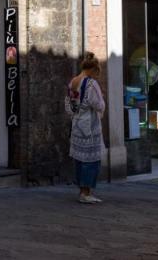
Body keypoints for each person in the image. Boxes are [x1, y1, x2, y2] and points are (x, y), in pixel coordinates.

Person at [66, 52, 106, 204]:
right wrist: (102, 103)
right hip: (90, 126)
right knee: (91, 160)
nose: (97, 76)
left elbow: (68, 105)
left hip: (77, 124)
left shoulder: (73, 82)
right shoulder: (91, 83)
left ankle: (82, 191)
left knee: (80, 160)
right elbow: (98, 104)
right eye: (97, 72)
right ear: (93, 69)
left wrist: (76, 113)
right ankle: (86, 192)